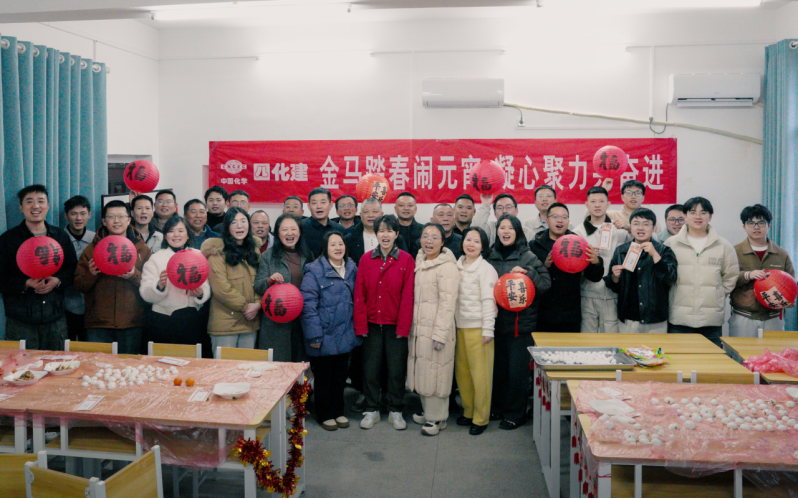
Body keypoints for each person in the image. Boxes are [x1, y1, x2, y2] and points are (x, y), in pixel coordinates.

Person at [487, 215, 550, 430]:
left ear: (518, 232)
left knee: (517, 373)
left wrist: (528, 273)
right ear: (497, 232)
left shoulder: (527, 256)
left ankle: (516, 414)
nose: (506, 232)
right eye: (502, 228)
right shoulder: (490, 256)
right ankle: (497, 408)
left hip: (520, 325)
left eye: (510, 228)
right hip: (495, 323)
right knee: (498, 370)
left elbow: (545, 284)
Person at [355, 215, 415, 431]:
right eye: (381, 230)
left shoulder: (406, 259)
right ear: (376, 234)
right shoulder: (366, 259)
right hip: (371, 325)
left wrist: (403, 327)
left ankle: (395, 410)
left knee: (396, 370)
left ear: (397, 234)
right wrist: (361, 325)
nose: (385, 235)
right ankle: (371, 409)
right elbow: (359, 294)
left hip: (395, 326)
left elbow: (408, 296)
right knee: (370, 369)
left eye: (390, 231)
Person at [0, 185, 78, 350]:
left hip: (55, 319)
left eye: (41, 201)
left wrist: (57, 281)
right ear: (21, 207)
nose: (36, 206)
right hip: (20, 322)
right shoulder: (8, 239)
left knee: (57, 364)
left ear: (47, 206)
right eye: (29, 201)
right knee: (21, 365)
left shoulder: (60, 236)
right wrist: (25, 284)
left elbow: (73, 269)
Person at [74, 200, 152, 354]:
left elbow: (151, 285)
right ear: (104, 221)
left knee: (129, 366)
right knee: (97, 365)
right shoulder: (92, 249)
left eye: (121, 216)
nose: (116, 221)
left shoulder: (142, 249)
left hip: (131, 322)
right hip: (98, 323)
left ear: (129, 220)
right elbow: (78, 285)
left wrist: (134, 275)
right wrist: (91, 274)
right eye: (111, 217)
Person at [300, 231, 359, 431]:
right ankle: (325, 414)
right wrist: (314, 335)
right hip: (323, 335)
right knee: (324, 378)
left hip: (345, 333)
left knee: (340, 377)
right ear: (325, 248)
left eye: (340, 244)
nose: (337, 248)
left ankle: (338, 411)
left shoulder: (351, 268)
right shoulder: (314, 271)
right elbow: (308, 306)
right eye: (333, 244)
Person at [665, 197, 739, 347]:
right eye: (692, 212)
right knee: (679, 360)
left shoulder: (723, 245)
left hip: (711, 319)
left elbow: (731, 277)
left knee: (711, 360)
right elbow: (665, 276)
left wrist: (717, 294)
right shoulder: (671, 244)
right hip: (679, 318)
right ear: (685, 216)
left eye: (703, 212)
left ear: (710, 217)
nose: (698, 216)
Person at [408, 223, 460, 437]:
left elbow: (448, 303)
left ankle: (436, 418)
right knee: (424, 370)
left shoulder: (447, 267)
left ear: (443, 242)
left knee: (437, 373)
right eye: (425, 236)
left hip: (437, 329)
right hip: (421, 327)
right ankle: (431, 413)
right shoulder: (420, 261)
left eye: (434, 237)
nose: (428, 241)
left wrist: (440, 333)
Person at [530, 203, 604, 333]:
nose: (560, 220)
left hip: (570, 313)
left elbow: (594, 277)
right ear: (547, 220)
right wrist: (545, 266)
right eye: (555, 217)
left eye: (564, 217)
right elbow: (530, 278)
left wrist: (595, 262)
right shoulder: (535, 244)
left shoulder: (578, 243)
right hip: (542, 312)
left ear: (568, 221)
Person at [140, 215, 211, 348]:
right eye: (171, 231)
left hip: (193, 318)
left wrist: (201, 293)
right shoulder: (156, 258)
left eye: (180, 230)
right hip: (164, 319)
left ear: (188, 235)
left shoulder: (198, 255)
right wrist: (159, 285)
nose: (176, 235)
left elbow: (205, 284)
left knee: (191, 357)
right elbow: (145, 292)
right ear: (165, 235)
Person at [454, 227, 499, 435]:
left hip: (479, 329)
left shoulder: (486, 269)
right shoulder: (456, 265)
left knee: (481, 377)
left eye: (477, 241)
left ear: (483, 247)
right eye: (468, 239)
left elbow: (489, 301)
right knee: (463, 375)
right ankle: (468, 411)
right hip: (459, 327)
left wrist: (488, 329)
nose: (471, 244)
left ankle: (481, 418)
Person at [605, 208, 678, 334]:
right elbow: (613, 287)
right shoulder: (621, 251)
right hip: (628, 318)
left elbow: (670, 279)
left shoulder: (664, 251)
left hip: (655, 319)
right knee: (627, 347)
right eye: (636, 224)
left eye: (646, 224)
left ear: (653, 227)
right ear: (630, 226)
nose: (640, 228)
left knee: (656, 348)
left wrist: (655, 255)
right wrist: (614, 278)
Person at [730, 204, 795, 337]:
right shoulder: (734, 252)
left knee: (773, 351)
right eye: (751, 223)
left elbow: (791, 283)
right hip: (744, 316)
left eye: (761, 223)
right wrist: (747, 275)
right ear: (744, 227)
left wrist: (789, 298)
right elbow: (726, 281)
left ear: (769, 226)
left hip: (773, 317)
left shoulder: (781, 254)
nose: (756, 227)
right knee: (741, 351)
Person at [201, 207, 262, 351]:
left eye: (243, 221)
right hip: (225, 324)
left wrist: (258, 304)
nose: (239, 226)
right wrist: (246, 307)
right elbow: (221, 288)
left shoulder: (254, 250)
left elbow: (260, 280)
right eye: (234, 222)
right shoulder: (216, 251)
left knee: (247, 365)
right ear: (227, 227)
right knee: (225, 365)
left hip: (250, 322)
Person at [573, 186, 631, 333]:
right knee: (587, 340)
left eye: (601, 201)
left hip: (612, 295)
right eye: (593, 201)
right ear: (586, 204)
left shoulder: (620, 230)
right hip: (587, 294)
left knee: (611, 341)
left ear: (608, 204)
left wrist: (629, 227)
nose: (597, 205)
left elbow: (640, 244)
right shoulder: (577, 233)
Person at [254, 213, 310, 361]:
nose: (289, 233)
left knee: (299, 365)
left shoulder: (307, 255)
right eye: (284, 229)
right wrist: (269, 281)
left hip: (302, 321)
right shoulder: (268, 256)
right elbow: (258, 285)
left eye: (293, 229)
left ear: (300, 232)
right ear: (278, 233)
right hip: (276, 322)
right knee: (277, 365)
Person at [63, 195, 95, 342]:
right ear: (66, 216)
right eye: (73, 213)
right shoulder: (58, 239)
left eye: (83, 213)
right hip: (65, 306)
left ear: (89, 215)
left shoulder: (96, 240)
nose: (78, 218)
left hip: (91, 307)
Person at [301, 188, 344, 258]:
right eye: (314, 203)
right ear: (309, 206)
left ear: (330, 205)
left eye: (323, 202)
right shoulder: (300, 227)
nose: (319, 206)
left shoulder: (340, 229)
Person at [344, 198, 384, 265]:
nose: (370, 215)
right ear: (361, 215)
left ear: (382, 214)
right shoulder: (350, 238)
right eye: (366, 212)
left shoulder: (393, 237)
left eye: (375, 212)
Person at [394, 192, 424, 257]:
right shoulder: (390, 231)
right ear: (395, 209)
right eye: (401, 205)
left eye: (410, 205)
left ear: (415, 209)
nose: (406, 208)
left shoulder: (424, 230)